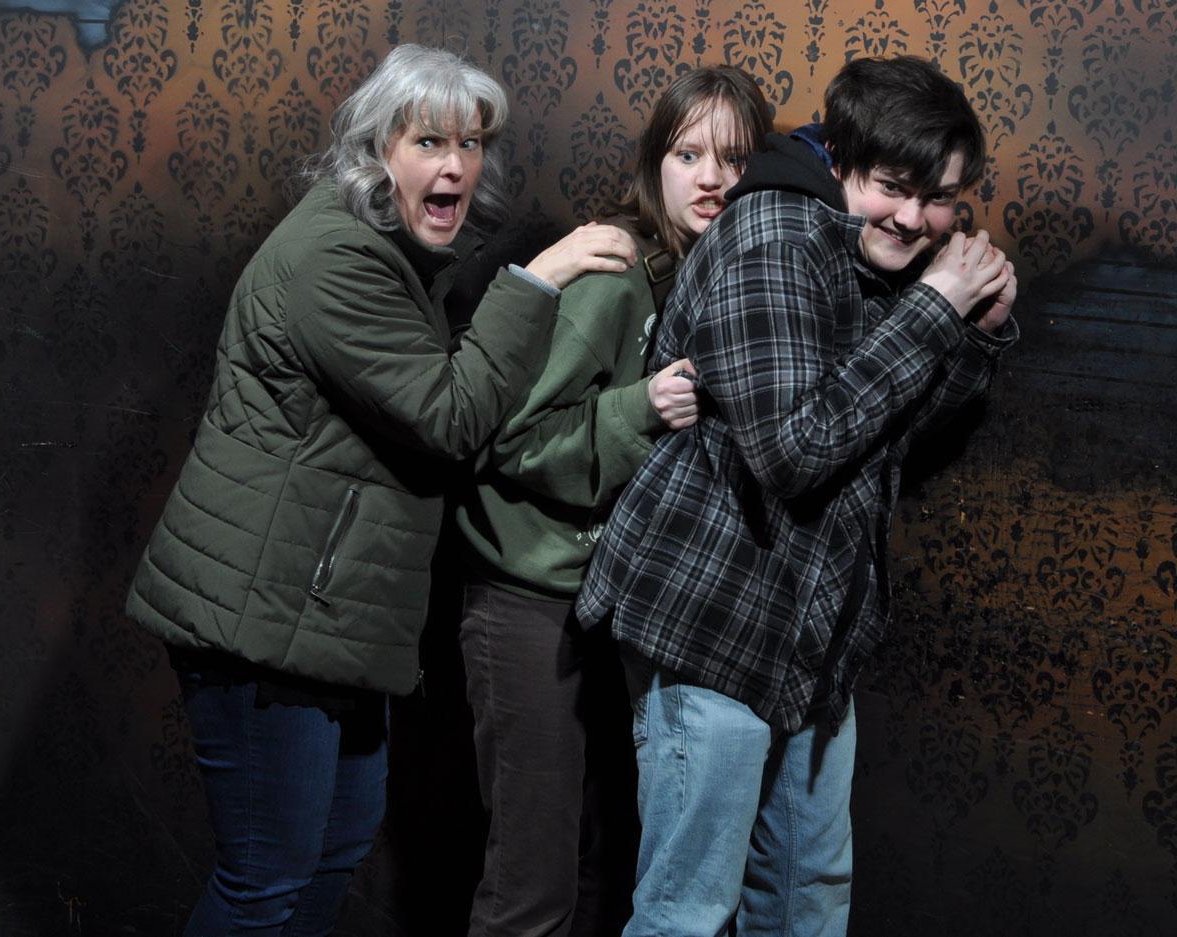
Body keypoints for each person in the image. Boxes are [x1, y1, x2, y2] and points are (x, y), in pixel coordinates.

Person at [124, 43, 636, 937]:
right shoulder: (335, 259)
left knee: (331, 850)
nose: (456, 165)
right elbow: (449, 414)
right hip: (265, 624)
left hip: (323, 622)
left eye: (471, 143)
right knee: (265, 877)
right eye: (429, 141)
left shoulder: (387, 252)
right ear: (376, 150)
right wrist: (537, 280)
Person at [576, 55, 1019, 937]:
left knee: (805, 898)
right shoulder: (771, 237)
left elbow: (890, 434)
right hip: (714, 623)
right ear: (839, 159)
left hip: (812, 642)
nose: (915, 218)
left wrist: (976, 335)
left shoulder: (871, 249)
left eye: (939, 199)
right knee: (687, 912)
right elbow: (796, 449)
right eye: (894, 188)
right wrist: (936, 308)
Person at [453, 66, 770, 937]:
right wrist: (639, 409)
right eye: (688, 154)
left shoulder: (708, 273)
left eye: (735, 159)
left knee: (600, 868)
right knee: (532, 885)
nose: (711, 178)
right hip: (527, 595)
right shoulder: (615, 269)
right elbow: (507, 439)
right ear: (653, 163)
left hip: (606, 604)